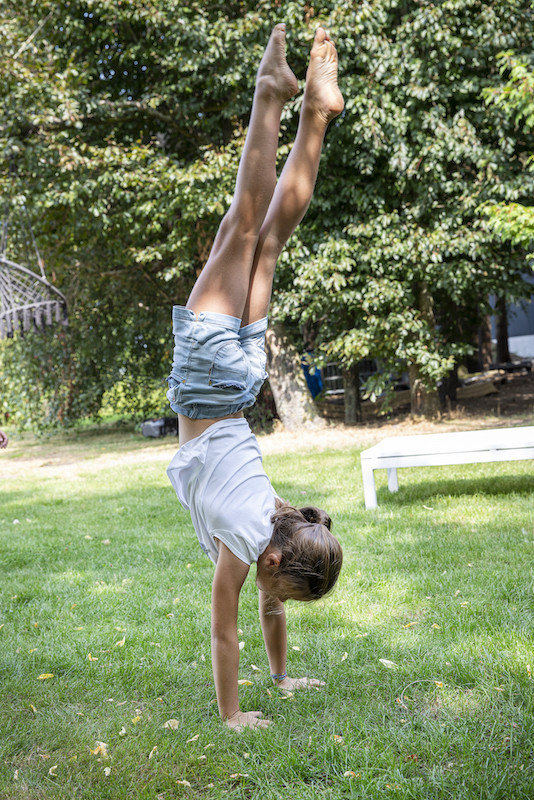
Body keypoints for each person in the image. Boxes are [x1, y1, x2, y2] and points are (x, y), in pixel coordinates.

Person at [166, 24, 344, 731]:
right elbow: (224, 630)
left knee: (265, 241)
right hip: (210, 382)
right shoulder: (250, 545)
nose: (270, 598)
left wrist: (282, 675)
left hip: (239, 388)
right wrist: (234, 715)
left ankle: (314, 117)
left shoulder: (283, 521)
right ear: (274, 559)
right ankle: (273, 95)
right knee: (244, 226)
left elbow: (269, 604)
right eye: (281, 588)